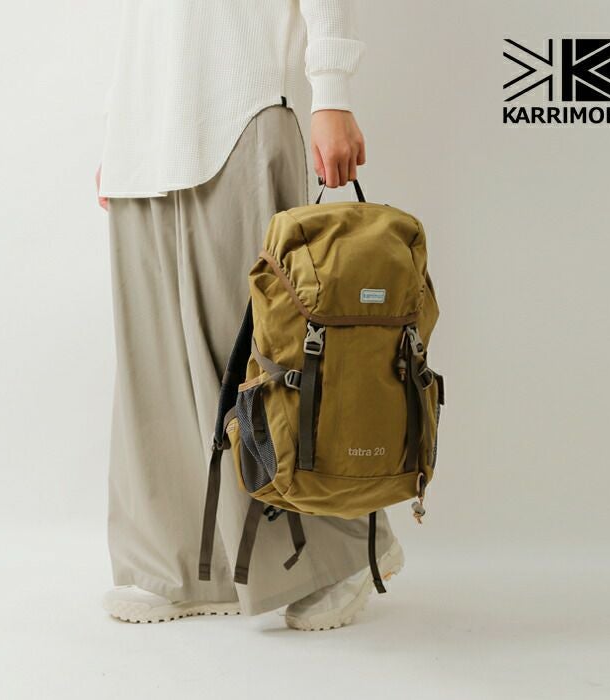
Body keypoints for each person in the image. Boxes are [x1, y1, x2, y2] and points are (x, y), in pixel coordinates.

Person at [96, 0, 403, 631]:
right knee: (157, 373)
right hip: (146, 125)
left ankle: (343, 555)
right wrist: (120, 127)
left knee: (271, 363)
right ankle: (187, 567)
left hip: (239, 104)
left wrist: (331, 92)